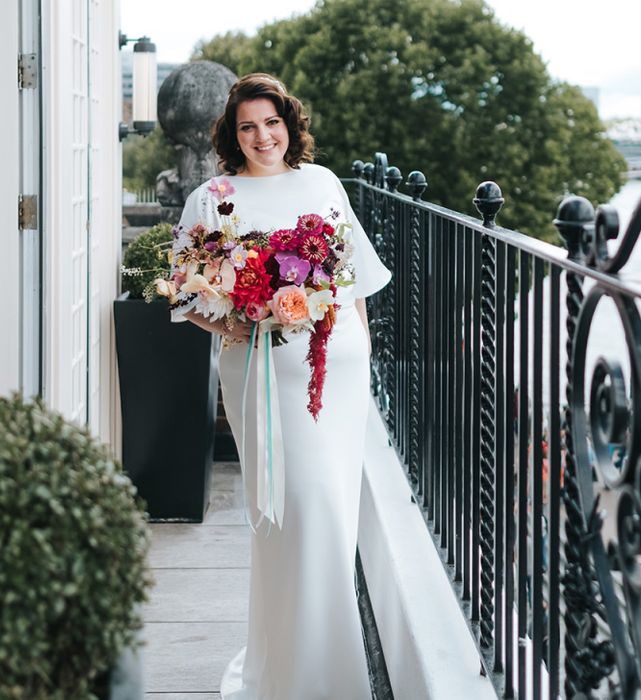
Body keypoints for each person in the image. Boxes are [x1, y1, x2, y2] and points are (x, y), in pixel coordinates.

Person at [172, 73, 391, 699]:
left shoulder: (323, 184)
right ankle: (305, 675)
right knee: (297, 511)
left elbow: (353, 277)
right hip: (262, 372)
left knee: (331, 515)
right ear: (231, 134)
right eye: (248, 126)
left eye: (272, 122)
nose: (262, 136)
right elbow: (185, 295)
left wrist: (362, 346)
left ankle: (306, 660)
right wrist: (240, 319)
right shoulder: (212, 197)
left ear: (289, 124)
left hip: (338, 370)